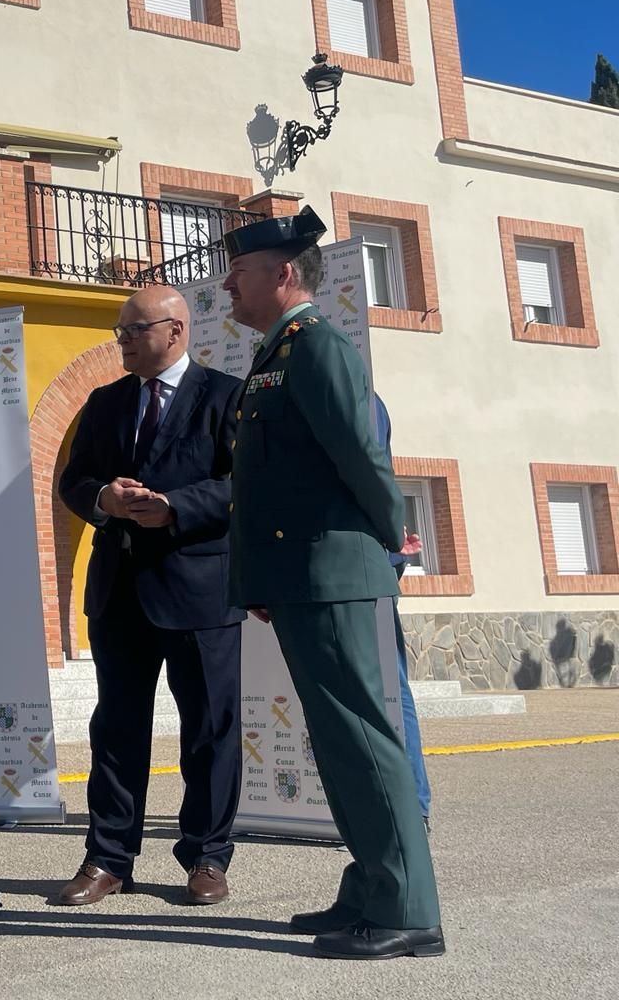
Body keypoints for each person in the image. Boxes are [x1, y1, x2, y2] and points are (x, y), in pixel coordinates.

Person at [220, 206, 443, 960]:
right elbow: (269, 483)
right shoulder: (276, 353)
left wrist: (390, 537)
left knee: (362, 741)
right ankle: (371, 889)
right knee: (338, 742)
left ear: (282, 274)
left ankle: (409, 908)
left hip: (334, 572)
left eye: (241, 272)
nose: (226, 284)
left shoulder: (318, 349)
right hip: (297, 574)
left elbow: (362, 457)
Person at [50, 285, 244, 908]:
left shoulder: (226, 397)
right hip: (120, 592)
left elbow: (245, 487)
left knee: (209, 731)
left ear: (176, 331)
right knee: (116, 730)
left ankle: (206, 857)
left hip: (199, 594)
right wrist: (104, 499)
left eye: (133, 330)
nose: (123, 341)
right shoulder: (106, 401)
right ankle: (108, 858)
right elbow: (74, 482)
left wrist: (174, 509)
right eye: (119, 331)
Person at [372, 393, 433, 827]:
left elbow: (370, 475)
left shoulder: (353, 390)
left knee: (390, 688)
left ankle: (411, 804)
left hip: (365, 563)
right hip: (371, 558)